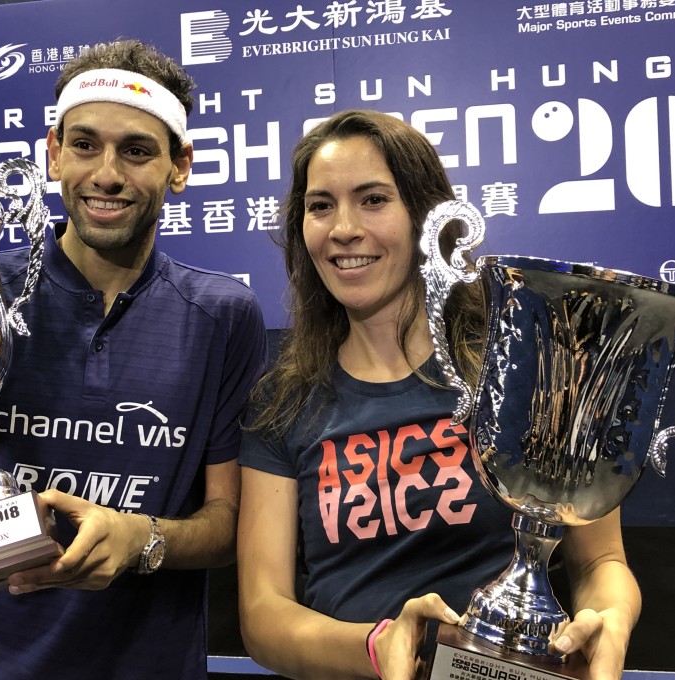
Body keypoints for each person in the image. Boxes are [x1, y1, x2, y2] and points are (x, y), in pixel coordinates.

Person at [0, 40, 267, 680]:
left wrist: (143, 542)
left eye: (136, 150)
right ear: (53, 152)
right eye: (84, 145)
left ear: (179, 166)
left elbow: (225, 522)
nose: (107, 173)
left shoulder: (225, 315)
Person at [236, 109, 641, 680]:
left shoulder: (526, 370)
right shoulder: (281, 402)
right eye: (320, 205)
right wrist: (381, 646)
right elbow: (262, 615)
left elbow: (601, 559)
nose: (343, 228)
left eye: (373, 199)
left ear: (428, 215)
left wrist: (611, 621)